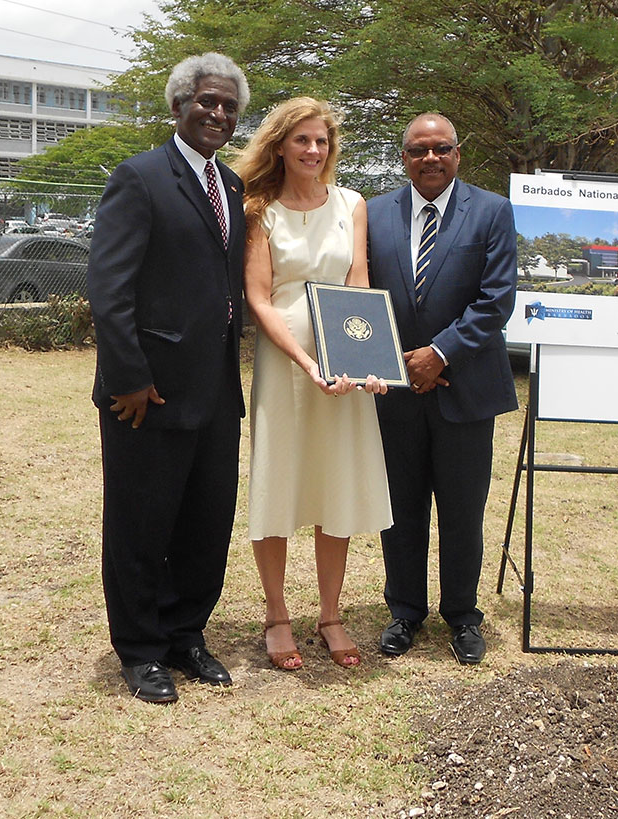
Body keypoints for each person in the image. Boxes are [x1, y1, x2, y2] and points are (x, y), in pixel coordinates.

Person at [87, 53, 249, 703]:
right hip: (146, 395)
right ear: (178, 105)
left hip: (214, 391)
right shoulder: (140, 178)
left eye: (229, 106)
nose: (217, 113)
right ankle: (141, 648)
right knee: (140, 525)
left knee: (205, 523)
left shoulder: (231, 186)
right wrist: (127, 375)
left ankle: (186, 635)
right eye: (206, 101)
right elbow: (109, 287)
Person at [236, 97, 393, 670]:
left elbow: (359, 286)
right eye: (301, 139)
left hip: (345, 372)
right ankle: (277, 615)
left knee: (337, 486)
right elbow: (259, 297)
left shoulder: (354, 205)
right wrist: (306, 362)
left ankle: (330, 614)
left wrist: (369, 358)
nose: (313, 150)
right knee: (278, 484)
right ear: (280, 145)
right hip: (287, 370)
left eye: (321, 141)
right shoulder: (259, 209)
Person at [366, 113, 518, 665]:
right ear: (402, 157)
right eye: (418, 150)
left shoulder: (493, 211)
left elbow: (496, 300)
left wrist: (440, 353)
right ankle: (404, 611)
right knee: (400, 508)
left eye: (442, 148)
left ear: (459, 152)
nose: (430, 158)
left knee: (462, 510)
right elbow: (361, 294)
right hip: (395, 389)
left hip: (465, 388)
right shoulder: (374, 212)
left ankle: (462, 615)